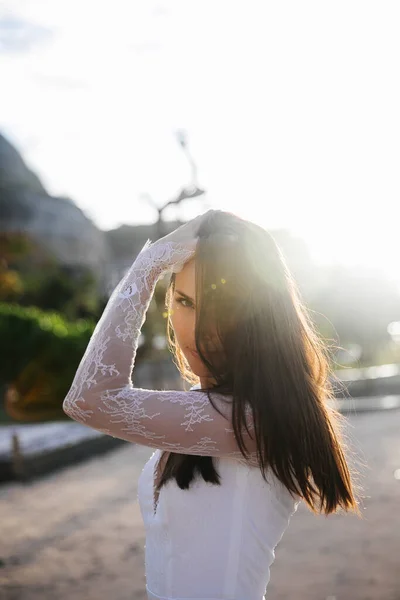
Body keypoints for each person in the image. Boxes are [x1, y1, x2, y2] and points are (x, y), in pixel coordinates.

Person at [63, 209, 362, 600]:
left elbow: (91, 400)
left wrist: (147, 265)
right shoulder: (211, 412)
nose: (198, 328)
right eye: (185, 301)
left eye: (222, 309)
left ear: (258, 318)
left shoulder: (255, 419)